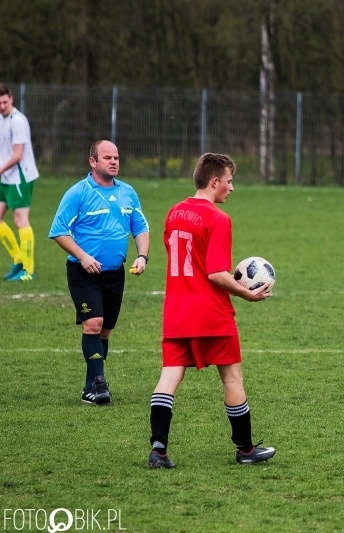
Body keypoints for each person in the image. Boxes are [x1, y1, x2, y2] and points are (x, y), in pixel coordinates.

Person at [147, 152, 276, 469]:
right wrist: (247, 293)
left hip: (176, 309)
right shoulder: (217, 219)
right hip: (210, 312)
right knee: (232, 379)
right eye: (229, 181)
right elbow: (216, 273)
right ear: (215, 181)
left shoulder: (174, 212)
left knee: (169, 377)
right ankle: (245, 450)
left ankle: (158, 450)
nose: (232, 187)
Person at [49, 140, 150, 405]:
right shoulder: (78, 193)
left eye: (116, 157)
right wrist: (83, 256)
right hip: (83, 272)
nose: (114, 161)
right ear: (92, 162)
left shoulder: (128, 192)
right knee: (92, 323)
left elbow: (140, 227)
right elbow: (59, 230)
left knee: (104, 331)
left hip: (115, 273)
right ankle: (99, 383)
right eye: (107, 157)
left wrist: (142, 255)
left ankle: (89, 387)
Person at [0, 84, 40, 282]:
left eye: (5, 102)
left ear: (11, 99)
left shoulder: (17, 121)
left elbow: (17, 154)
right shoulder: (1, 119)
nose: (2, 106)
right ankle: (18, 259)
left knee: (20, 220)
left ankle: (29, 270)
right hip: (5, 177)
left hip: (19, 177)